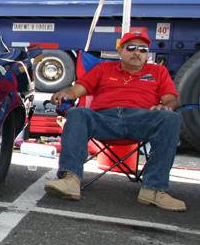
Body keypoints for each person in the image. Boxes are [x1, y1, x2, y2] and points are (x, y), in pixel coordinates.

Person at [44, 29, 185, 211]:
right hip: (105, 119)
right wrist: (64, 93)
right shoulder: (103, 68)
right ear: (120, 51)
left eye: (143, 49)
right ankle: (70, 180)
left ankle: (154, 189)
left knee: (171, 118)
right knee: (77, 113)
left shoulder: (158, 71)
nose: (137, 52)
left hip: (141, 120)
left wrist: (167, 107)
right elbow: (76, 90)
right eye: (131, 48)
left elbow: (170, 100)